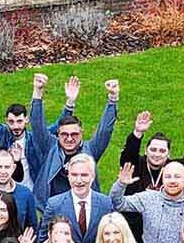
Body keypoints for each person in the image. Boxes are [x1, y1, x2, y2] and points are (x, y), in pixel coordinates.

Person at [25, 74, 119, 203]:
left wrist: (113, 99)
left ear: (81, 134)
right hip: (54, 208)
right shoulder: (50, 146)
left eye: (74, 134)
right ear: (57, 134)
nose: (69, 138)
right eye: (64, 134)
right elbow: (37, 125)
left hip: (84, 208)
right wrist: (37, 91)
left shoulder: (90, 150)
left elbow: (105, 131)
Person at [42, 153, 115, 243]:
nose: (78, 180)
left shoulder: (105, 204)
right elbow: (43, 239)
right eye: (74, 175)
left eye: (84, 175)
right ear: (68, 176)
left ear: (93, 177)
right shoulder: (54, 205)